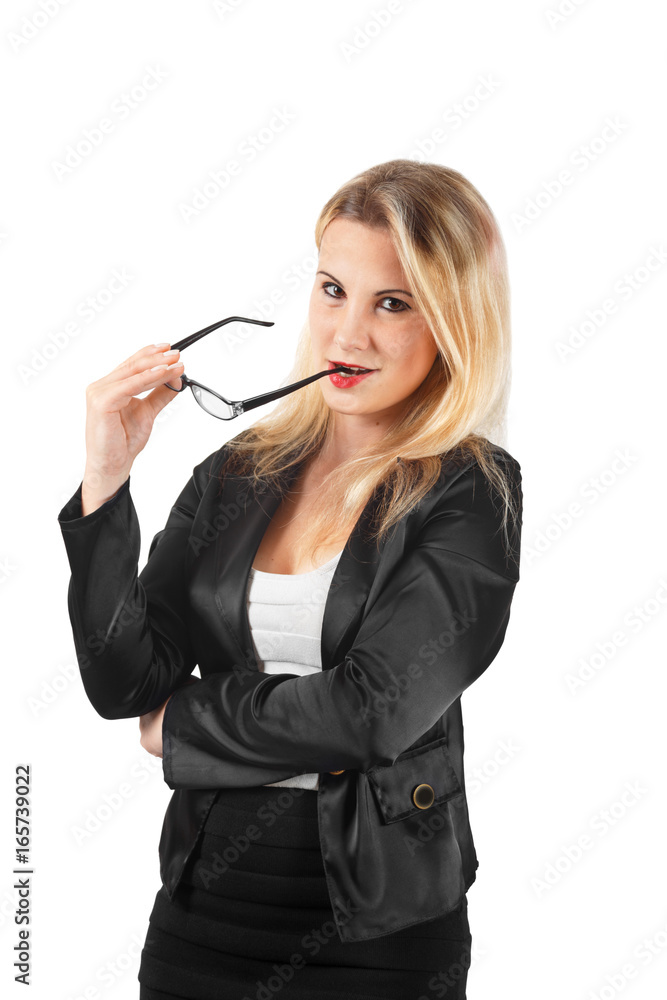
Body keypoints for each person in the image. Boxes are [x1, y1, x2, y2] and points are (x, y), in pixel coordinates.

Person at [57, 158, 523, 999]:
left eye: (393, 303)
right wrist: (105, 481)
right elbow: (123, 681)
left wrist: (185, 724)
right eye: (333, 290)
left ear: (455, 320)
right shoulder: (239, 471)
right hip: (201, 915)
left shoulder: (469, 491)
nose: (348, 335)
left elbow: (372, 711)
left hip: (380, 939)